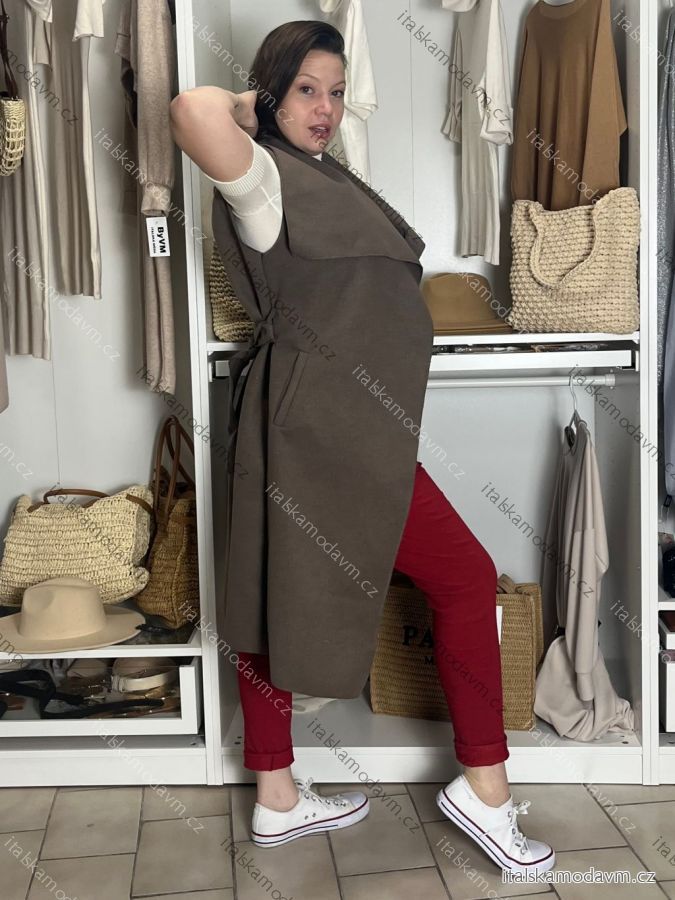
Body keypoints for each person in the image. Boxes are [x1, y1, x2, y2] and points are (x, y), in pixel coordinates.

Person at [170, 20, 554, 874]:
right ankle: (483, 790)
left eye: (337, 92)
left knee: (280, 593)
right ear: (271, 93)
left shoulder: (327, 177)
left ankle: (276, 800)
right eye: (306, 89)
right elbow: (191, 110)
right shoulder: (261, 177)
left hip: (354, 429)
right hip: (316, 432)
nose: (326, 108)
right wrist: (252, 105)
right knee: (454, 577)